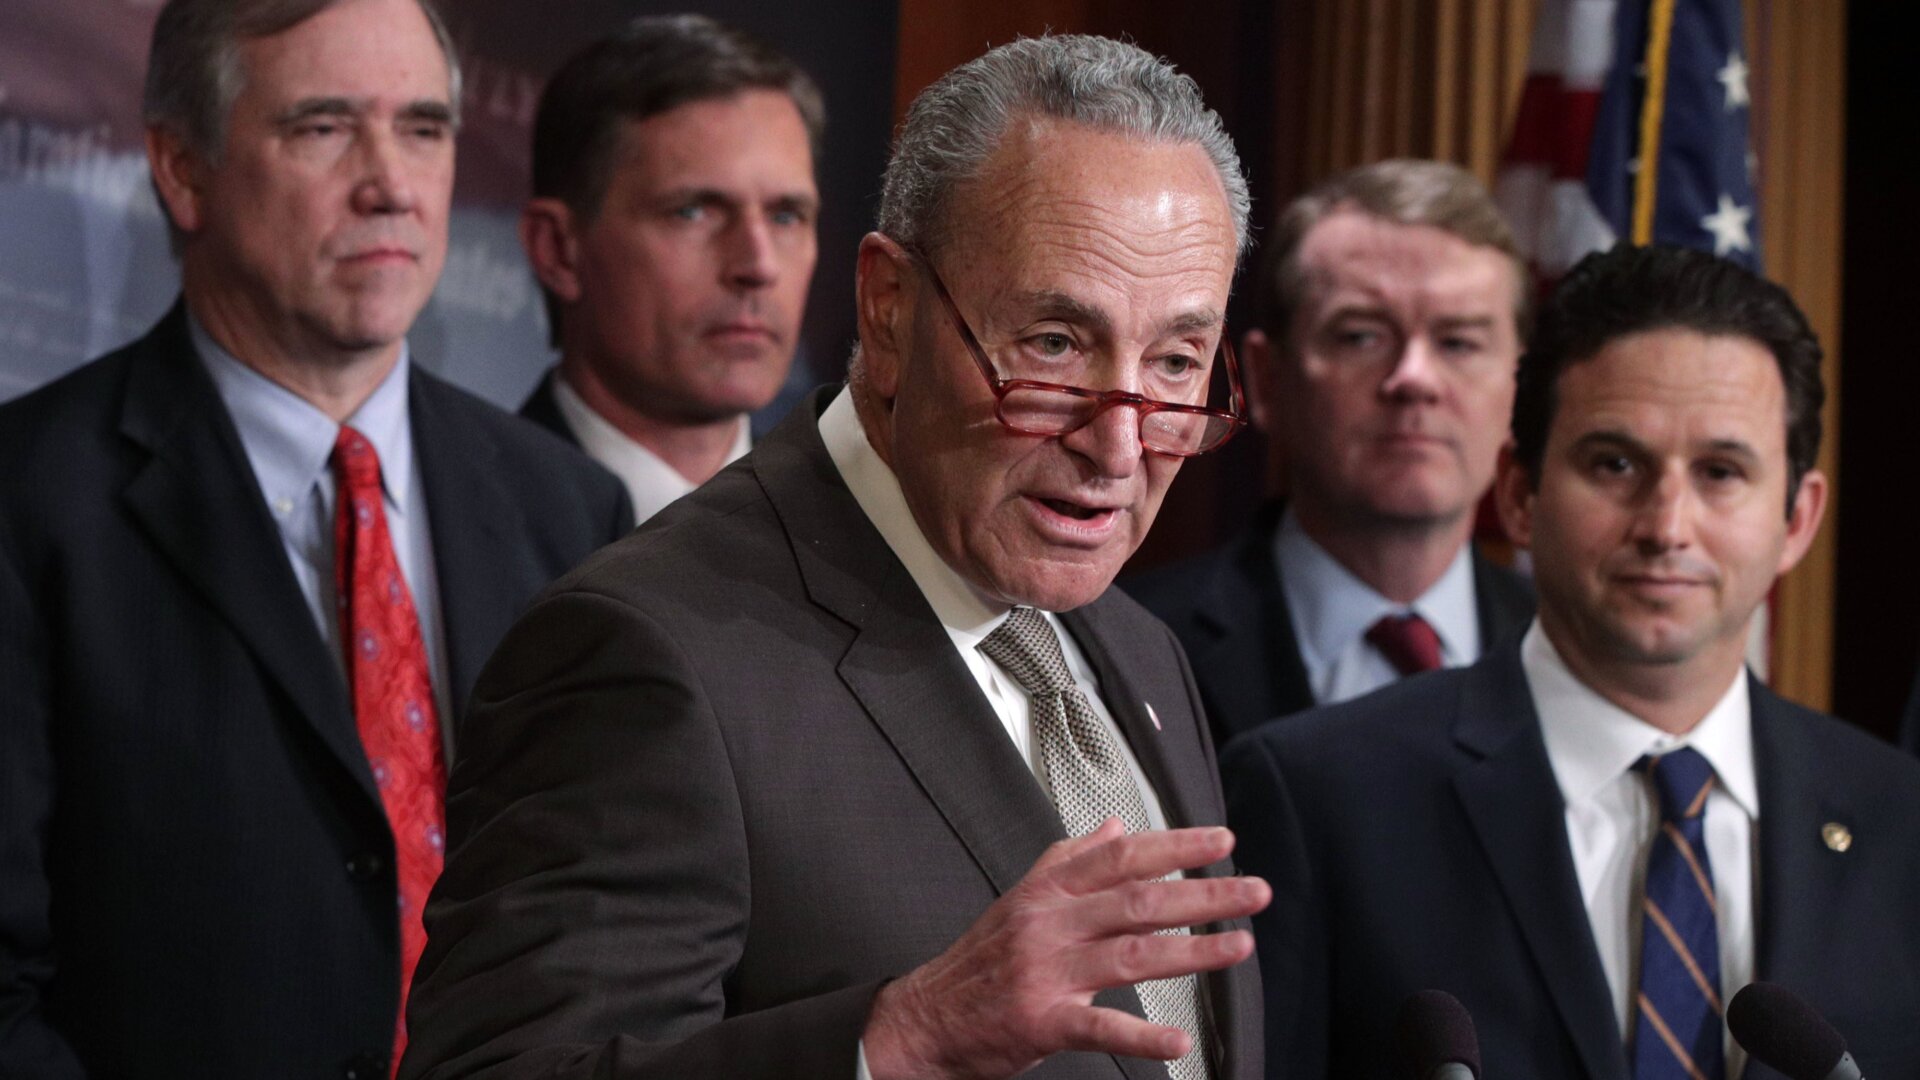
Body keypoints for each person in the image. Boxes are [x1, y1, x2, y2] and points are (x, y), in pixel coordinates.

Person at [399, 35, 1271, 1080]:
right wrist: (895, 1043)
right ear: (889, 310)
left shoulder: (1139, 649)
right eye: (1053, 344)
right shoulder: (649, 656)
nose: (1119, 446)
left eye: (1174, 362)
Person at [0, 0, 632, 1074]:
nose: (391, 183)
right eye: (324, 127)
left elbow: (607, 932)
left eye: (423, 128)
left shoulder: (569, 510)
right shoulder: (29, 505)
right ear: (182, 169)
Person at [1222, 243, 1920, 1080]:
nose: (1666, 526)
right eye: (1615, 465)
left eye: (1721, 472)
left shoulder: (1900, 819)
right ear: (1519, 493)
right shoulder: (1317, 797)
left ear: (1797, 520)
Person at [1129, 161, 1534, 745]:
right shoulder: (1131, 648)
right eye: (1361, 336)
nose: (1415, 378)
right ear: (1267, 379)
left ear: (1518, 387)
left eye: (1459, 342)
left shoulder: (1572, 651)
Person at [516, 15, 822, 524]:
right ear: (558, 251)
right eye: (692, 212)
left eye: (786, 216)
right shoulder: (456, 526)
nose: (759, 265)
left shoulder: (851, 533)